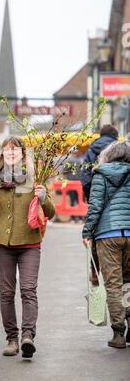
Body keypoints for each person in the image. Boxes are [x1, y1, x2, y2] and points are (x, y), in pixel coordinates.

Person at [0, 136, 55, 359]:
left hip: (29, 243)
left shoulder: (35, 178)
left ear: (23, 154)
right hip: (1, 244)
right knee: (6, 292)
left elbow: (51, 212)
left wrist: (43, 198)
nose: (11, 153)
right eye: (7, 150)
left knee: (28, 290)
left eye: (16, 150)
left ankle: (27, 337)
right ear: (3, 154)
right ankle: (11, 339)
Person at [82, 141, 130, 348]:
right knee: (129, 281)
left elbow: (95, 206)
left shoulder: (101, 174)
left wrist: (86, 231)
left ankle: (119, 334)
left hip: (107, 235)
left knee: (113, 285)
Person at [81, 125, 119, 285]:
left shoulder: (91, 151)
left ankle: (95, 271)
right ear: (115, 136)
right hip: (119, 200)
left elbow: (85, 176)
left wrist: (91, 195)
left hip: (98, 197)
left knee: (96, 234)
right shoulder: (119, 149)